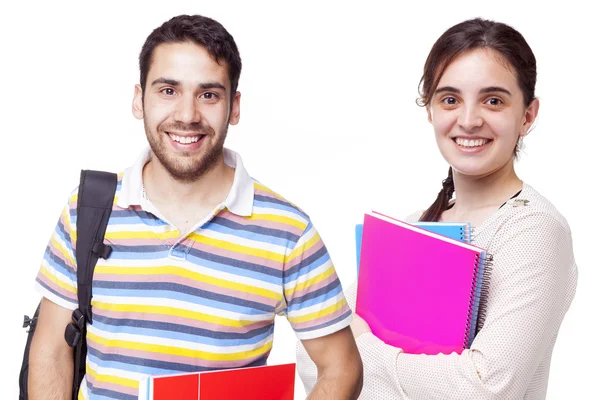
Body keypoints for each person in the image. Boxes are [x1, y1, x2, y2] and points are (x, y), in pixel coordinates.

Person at [28, 14, 362, 400]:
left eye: (208, 94)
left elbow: (342, 366)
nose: (187, 115)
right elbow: (52, 348)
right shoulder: (88, 209)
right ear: (139, 99)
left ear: (234, 107)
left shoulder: (288, 231)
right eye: (168, 90)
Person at [297, 17, 577, 399]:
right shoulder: (413, 228)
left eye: (493, 100)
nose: (468, 120)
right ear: (429, 110)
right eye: (450, 99)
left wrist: (363, 351)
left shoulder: (534, 231)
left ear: (527, 115)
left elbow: (483, 388)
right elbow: (312, 356)